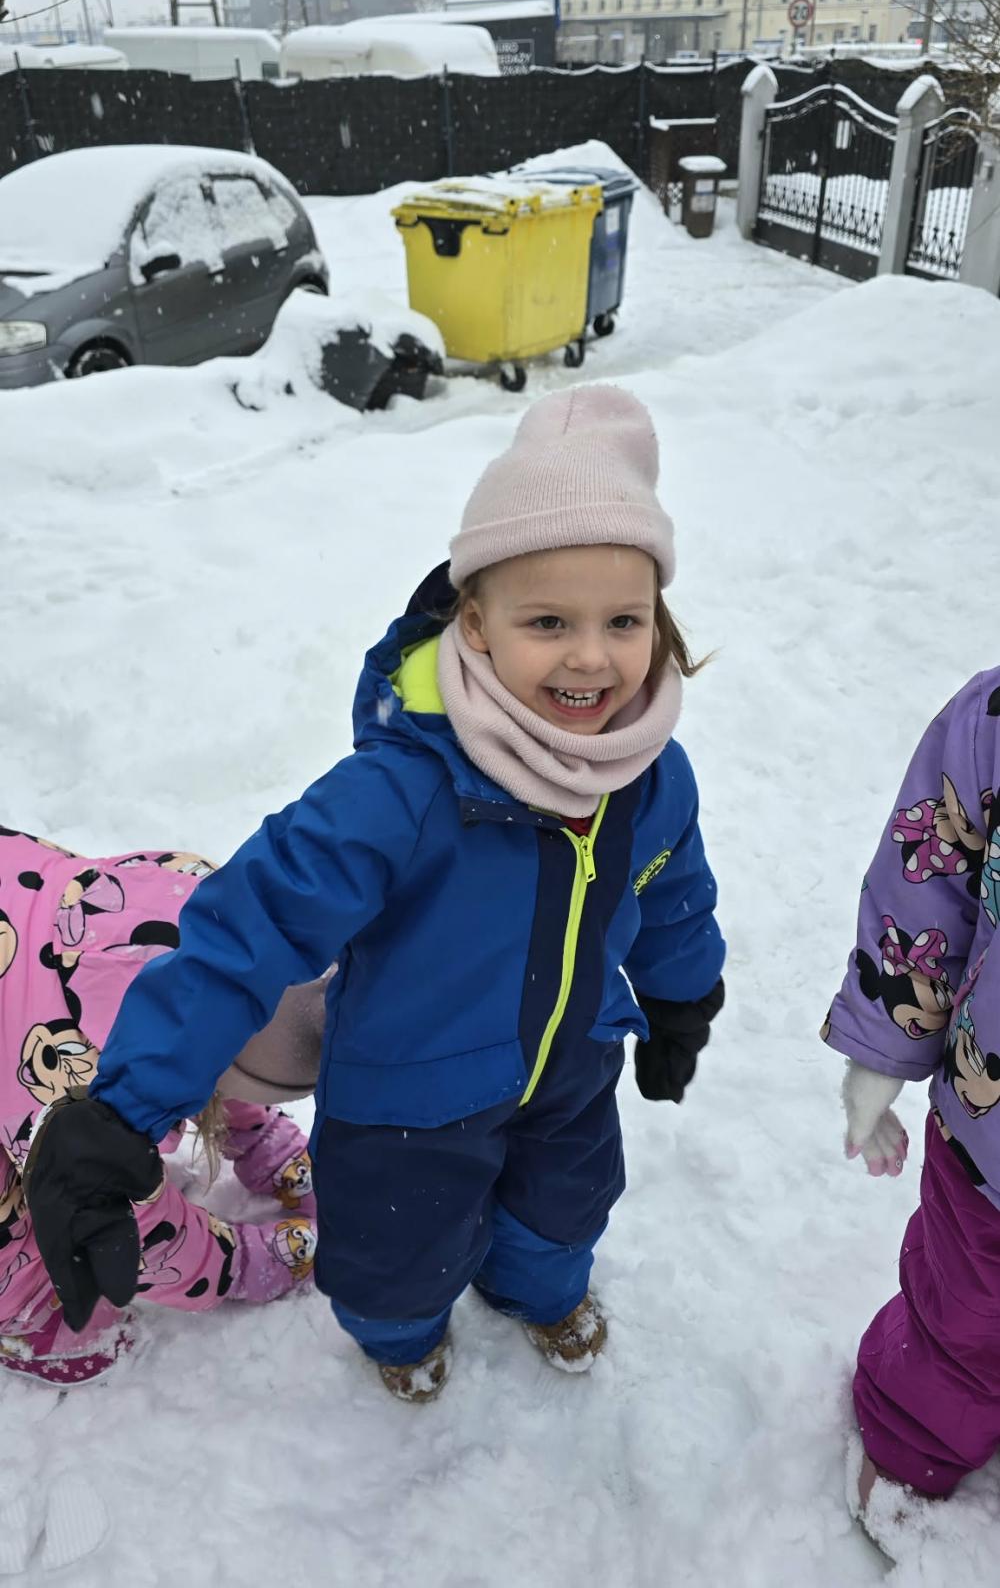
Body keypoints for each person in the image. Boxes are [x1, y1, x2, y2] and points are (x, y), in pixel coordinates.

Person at [24, 384, 726, 1402]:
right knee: (395, 1254)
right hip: (407, 1098)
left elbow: (674, 892)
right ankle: (403, 1339)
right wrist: (121, 1113)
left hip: (573, 1066)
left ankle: (538, 1291)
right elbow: (243, 934)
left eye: (624, 620)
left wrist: (679, 995)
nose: (590, 656)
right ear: (475, 624)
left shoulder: (650, 775)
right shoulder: (397, 795)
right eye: (547, 621)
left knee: (564, 1206)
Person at [0, 826, 322, 1385]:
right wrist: (246, 1263)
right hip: (30, 1049)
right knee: (52, 1213)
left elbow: (219, 1029)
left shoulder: (196, 900)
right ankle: (21, 1307)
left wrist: (260, 1139)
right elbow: (133, 1229)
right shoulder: (69, 1098)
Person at [822, 669, 1000, 1557]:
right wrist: (881, 1055)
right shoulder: (996, 720)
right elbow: (926, 882)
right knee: (963, 1317)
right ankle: (912, 1440)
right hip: (991, 1144)